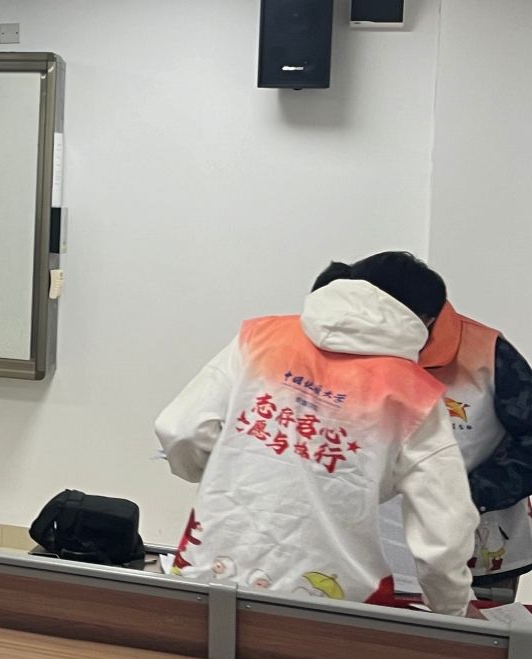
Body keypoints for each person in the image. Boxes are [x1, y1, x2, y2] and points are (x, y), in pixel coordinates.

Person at [156, 251, 477, 618]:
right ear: (426, 320)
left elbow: (179, 429)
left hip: (212, 568)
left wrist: (222, 470)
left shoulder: (261, 337)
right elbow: (445, 530)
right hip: (333, 603)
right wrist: (452, 611)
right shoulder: (414, 393)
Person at [378, 288, 532, 602]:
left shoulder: (488, 352)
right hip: (374, 546)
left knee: (474, 631)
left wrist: (467, 495)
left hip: (479, 546)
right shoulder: (351, 348)